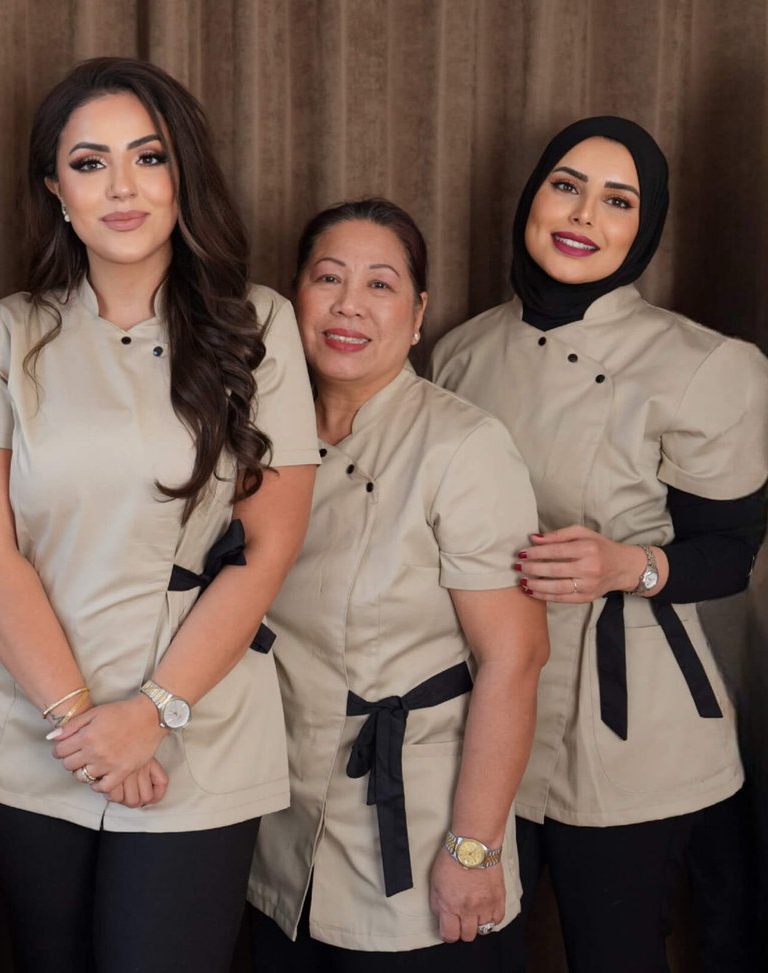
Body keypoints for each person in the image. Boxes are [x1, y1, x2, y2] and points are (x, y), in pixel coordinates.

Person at [0, 57, 319, 973]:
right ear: (55, 188)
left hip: (198, 723)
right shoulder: (12, 330)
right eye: (90, 163)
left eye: (148, 157)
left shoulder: (258, 325)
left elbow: (267, 549)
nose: (122, 187)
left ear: (183, 171)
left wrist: (153, 711)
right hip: (32, 726)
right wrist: (84, 725)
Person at [432, 116, 768, 971]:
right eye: (566, 186)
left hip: (631, 725)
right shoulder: (461, 352)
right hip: (481, 710)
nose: (585, 214)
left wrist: (630, 564)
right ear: (531, 199)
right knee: (466, 945)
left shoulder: (706, 365)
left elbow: (732, 548)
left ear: (645, 227)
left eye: (618, 200)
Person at [246, 198, 549, 970]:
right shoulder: (255, 433)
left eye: (380, 285)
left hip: (419, 826)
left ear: (417, 317)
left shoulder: (464, 445)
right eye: (328, 278)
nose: (350, 304)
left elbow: (514, 659)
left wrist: (475, 848)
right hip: (275, 811)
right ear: (294, 298)